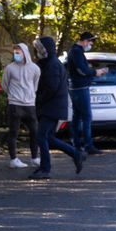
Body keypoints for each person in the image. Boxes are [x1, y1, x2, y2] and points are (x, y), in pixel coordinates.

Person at [29, 36, 85, 180]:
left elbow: (51, 87)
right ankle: (76, 154)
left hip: (51, 107)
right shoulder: (51, 63)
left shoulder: (52, 65)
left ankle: (45, 168)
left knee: (41, 136)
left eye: (38, 49)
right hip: (54, 106)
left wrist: (39, 99)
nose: (36, 52)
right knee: (48, 137)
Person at [67, 32, 108, 156]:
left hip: (77, 87)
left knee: (77, 116)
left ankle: (77, 144)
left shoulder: (75, 51)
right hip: (80, 88)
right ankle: (88, 146)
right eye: (91, 42)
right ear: (85, 41)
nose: (91, 44)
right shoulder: (77, 52)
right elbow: (82, 70)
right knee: (86, 117)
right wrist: (96, 72)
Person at [1, 43, 41, 169]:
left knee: (35, 131)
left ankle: (35, 157)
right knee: (13, 132)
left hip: (30, 104)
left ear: (25, 52)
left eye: (18, 52)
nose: (16, 54)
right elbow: (5, 84)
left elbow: (36, 84)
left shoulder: (34, 68)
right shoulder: (9, 68)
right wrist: (12, 95)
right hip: (15, 104)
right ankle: (13, 159)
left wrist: (30, 94)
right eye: (15, 52)